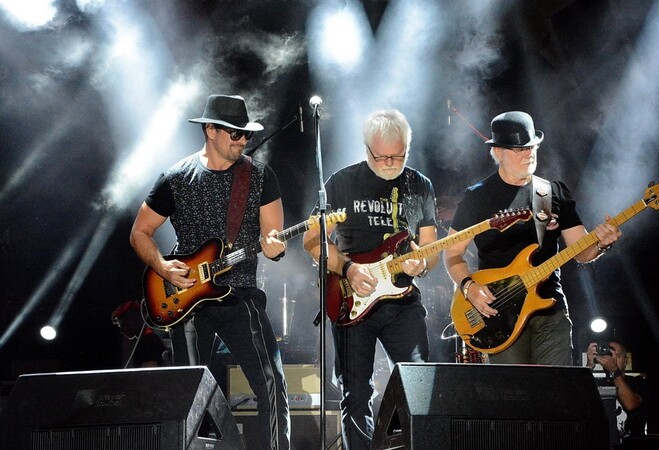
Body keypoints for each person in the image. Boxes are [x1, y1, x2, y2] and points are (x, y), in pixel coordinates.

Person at [129, 94, 290, 450]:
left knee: (272, 384)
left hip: (241, 295)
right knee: (187, 392)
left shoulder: (260, 176)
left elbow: (273, 237)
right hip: (186, 299)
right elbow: (140, 232)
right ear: (211, 130)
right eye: (235, 133)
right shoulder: (176, 177)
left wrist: (275, 247)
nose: (242, 140)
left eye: (246, 134)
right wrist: (161, 266)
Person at [302, 108, 439, 450]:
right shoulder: (341, 182)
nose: (391, 163)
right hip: (351, 296)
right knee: (356, 392)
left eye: (399, 155)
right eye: (382, 156)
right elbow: (312, 241)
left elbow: (431, 249)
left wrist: (421, 264)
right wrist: (348, 268)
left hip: (402, 301)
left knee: (418, 385)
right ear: (366, 149)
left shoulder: (420, 185)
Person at [443, 111, 622, 365]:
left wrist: (602, 244)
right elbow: (452, 252)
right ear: (499, 152)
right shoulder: (477, 197)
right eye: (520, 149)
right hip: (499, 312)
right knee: (514, 388)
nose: (529, 154)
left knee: (557, 386)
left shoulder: (553, 192)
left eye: (532, 147)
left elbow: (582, 251)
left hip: (549, 306)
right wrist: (469, 287)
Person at [586, 340, 649, 440]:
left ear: (626, 360)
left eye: (617, 356)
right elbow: (577, 404)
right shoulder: (595, 384)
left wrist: (614, 370)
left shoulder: (638, 381)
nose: (612, 359)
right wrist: (588, 367)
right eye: (609, 354)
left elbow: (631, 405)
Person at [111, 299, 168, 368]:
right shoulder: (148, 340)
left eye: (123, 324)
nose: (121, 330)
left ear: (133, 320)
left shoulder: (148, 342)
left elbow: (150, 372)